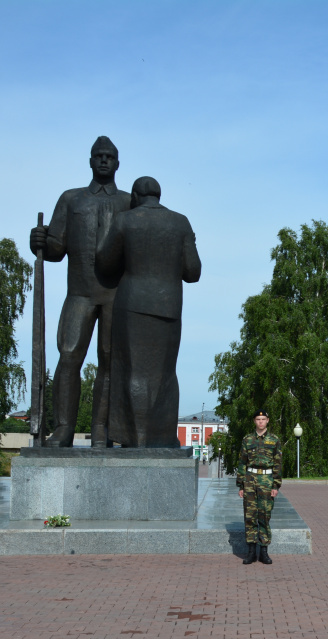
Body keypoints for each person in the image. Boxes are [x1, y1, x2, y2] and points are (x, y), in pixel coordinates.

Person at [30, 137, 132, 447]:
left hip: (117, 295)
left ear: (117, 163)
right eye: (98, 156)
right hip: (80, 293)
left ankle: (102, 428)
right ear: (90, 161)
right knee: (69, 356)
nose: (103, 160)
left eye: (109, 156)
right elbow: (56, 249)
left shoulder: (129, 203)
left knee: (111, 361)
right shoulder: (71, 199)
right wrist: (40, 241)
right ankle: (63, 428)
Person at [95, 176, 202, 447]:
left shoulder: (125, 219)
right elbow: (193, 272)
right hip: (168, 306)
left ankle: (138, 439)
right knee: (167, 373)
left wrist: (106, 232)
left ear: (135, 195)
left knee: (135, 373)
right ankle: (163, 437)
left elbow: (105, 263)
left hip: (132, 304)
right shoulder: (181, 222)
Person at [237, 410, 283, 565]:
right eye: (258, 419)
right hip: (250, 479)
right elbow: (242, 462)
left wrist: (276, 484)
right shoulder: (247, 439)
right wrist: (241, 484)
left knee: (264, 515)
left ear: (268, 421)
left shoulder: (274, 440)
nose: (261, 422)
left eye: (263, 419)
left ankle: (263, 551)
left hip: (267, 480)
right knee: (250, 516)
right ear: (254, 421)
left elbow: (278, 463)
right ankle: (251, 552)